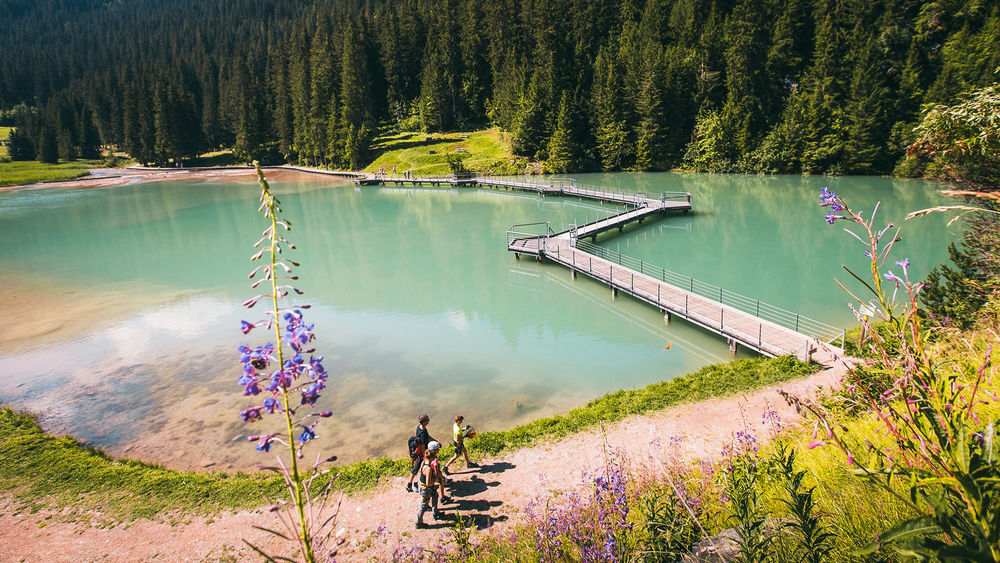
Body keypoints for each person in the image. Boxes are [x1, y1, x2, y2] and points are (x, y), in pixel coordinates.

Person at [415, 441, 444, 528]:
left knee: (435, 496)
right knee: (423, 506)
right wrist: (435, 480)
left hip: (424, 488)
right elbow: (428, 483)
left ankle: (436, 513)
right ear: (431, 458)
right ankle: (418, 522)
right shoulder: (428, 469)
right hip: (426, 489)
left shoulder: (424, 462)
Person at [406, 414, 436, 492]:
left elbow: (428, 436)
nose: (429, 421)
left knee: (420, 467)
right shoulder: (422, 433)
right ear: (423, 422)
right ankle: (409, 485)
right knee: (416, 468)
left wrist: (435, 441)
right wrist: (425, 457)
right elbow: (422, 446)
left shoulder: (419, 427)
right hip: (422, 453)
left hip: (421, 452)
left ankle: (411, 484)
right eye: (427, 420)